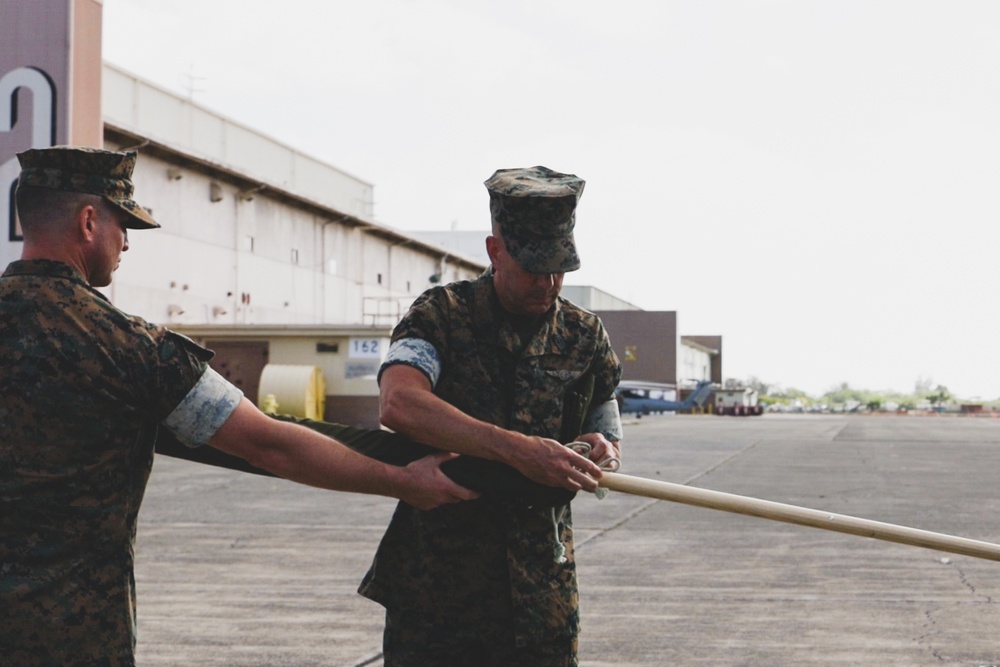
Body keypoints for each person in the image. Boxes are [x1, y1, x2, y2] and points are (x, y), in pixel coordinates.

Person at [0, 146, 481, 667]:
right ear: (89, 221)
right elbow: (269, 444)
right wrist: (405, 481)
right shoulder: (132, 349)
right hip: (70, 638)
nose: (125, 244)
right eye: (122, 225)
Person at [359, 165, 624, 666]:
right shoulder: (441, 315)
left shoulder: (583, 334)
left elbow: (602, 406)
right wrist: (517, 448)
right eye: (533, 267)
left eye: (559, 268)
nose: (548, 283)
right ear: (495, 251)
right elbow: (399, 403)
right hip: (438, 586)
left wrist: (602, 444)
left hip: (540, 588)